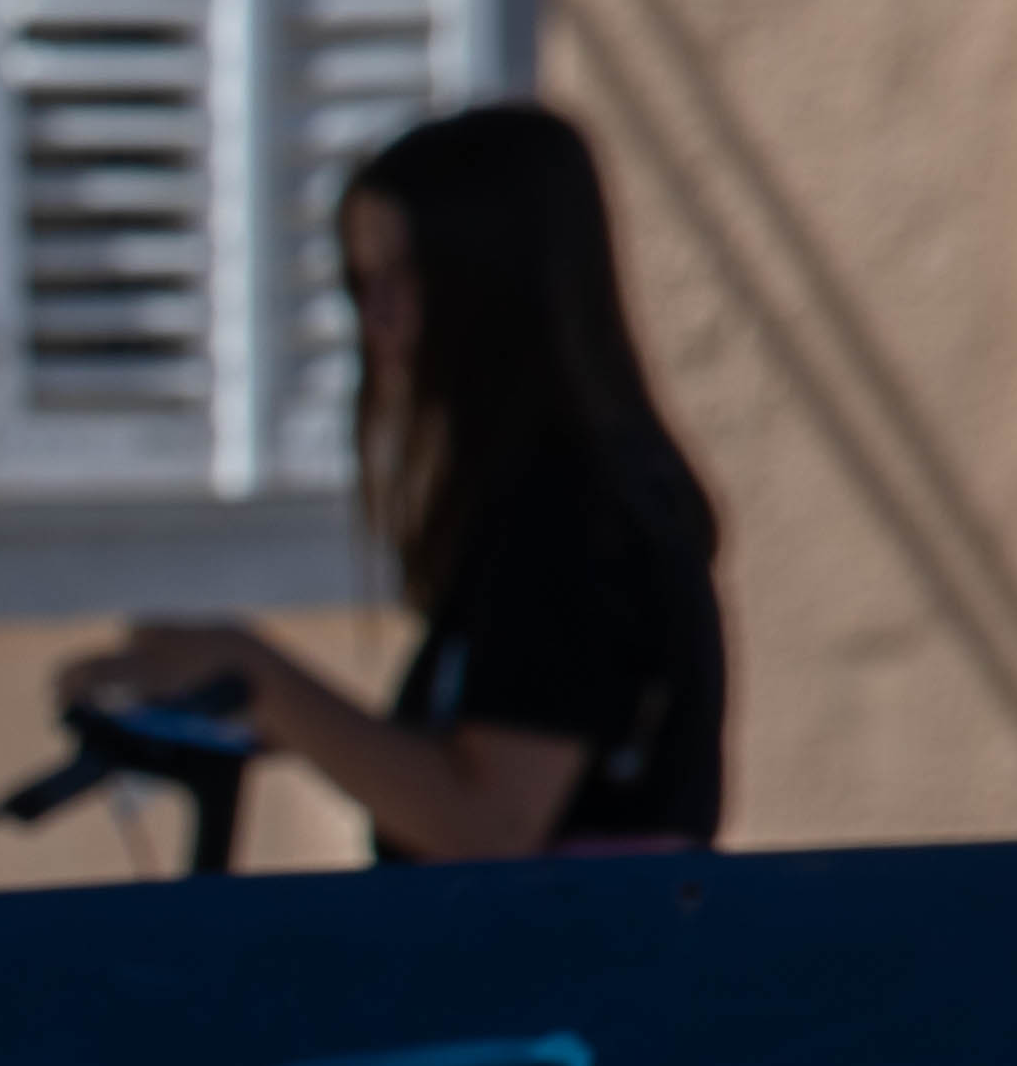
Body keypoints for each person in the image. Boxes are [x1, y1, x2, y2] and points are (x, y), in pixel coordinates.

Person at [59, 98, 727, 861]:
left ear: (497, 283)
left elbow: (491, 823)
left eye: (406, 277)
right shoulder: (536, 506)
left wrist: (255, 677)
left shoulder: (576, 514)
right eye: (359, 282)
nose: (374, 318)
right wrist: (235, 702)